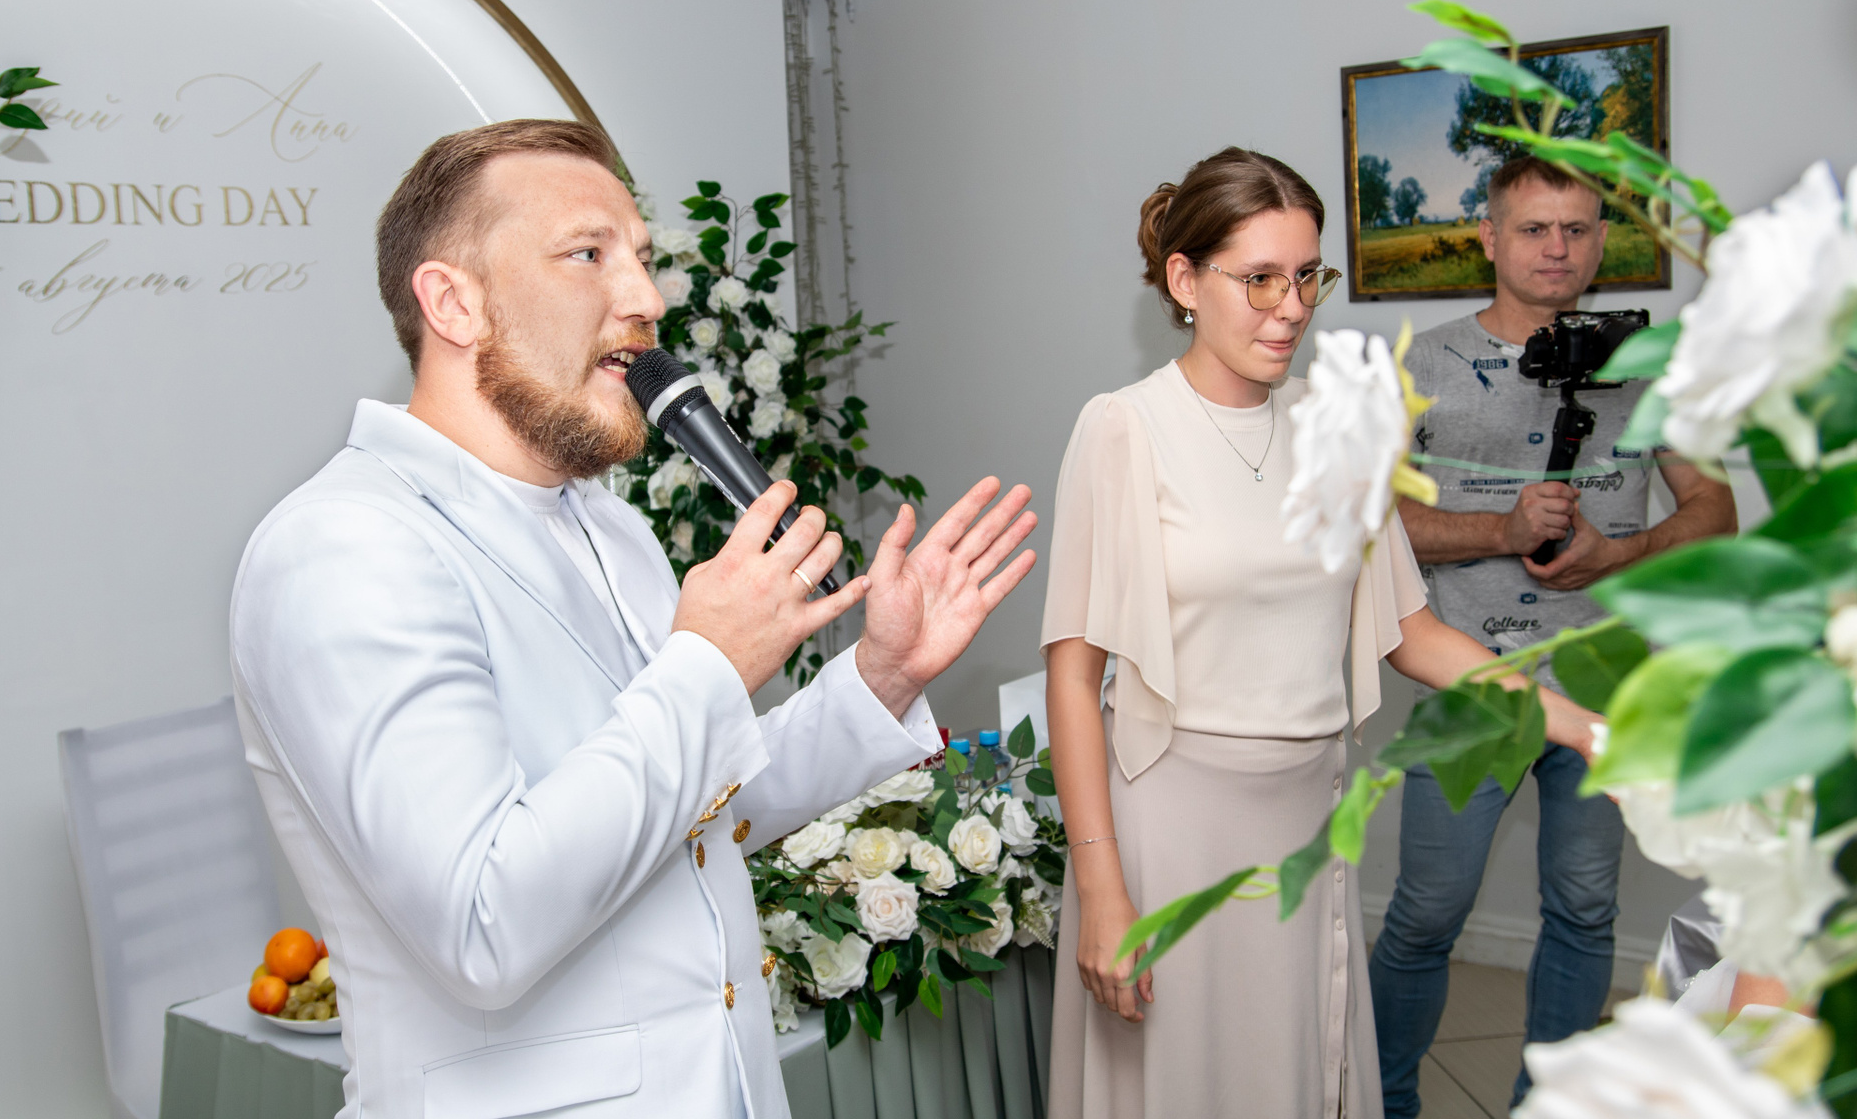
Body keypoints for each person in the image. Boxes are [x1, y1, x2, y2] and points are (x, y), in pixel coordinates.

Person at [228, 119, 1038, 1119]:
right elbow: (483, 922)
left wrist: (882, 675)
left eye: (643, 258)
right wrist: (707, 663)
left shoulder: (610, 526)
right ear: (453, 302)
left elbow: (696, 810)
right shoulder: (344, 546)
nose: (648, 298)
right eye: (587, 254)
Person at [1042, 147, 1605, 1119]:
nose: (1292, 307)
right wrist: (1101, 888)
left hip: (1305, 818)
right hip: (1169, 827)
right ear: (1185, 280)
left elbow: (1413, 631)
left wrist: (1583, 727)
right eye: (1260, 278)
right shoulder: (1123, 429)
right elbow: (1072, 672)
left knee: (1291, 1074)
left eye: (1308, 276)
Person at [1369, 156, 1738, 1118]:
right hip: (1470, 683)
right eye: (1534, 228)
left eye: (1576, 229)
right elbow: (1370, 526)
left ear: (1601, 241)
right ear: (1489, 237)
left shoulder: (1647, 364)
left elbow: (1715, 510)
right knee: (1427, 916)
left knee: (1583, 912)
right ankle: (1382, 1102)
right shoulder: (1422, 366)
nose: (1557, 249)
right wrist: (1500, 530)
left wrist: (1622, 552)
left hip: (1604, 681)